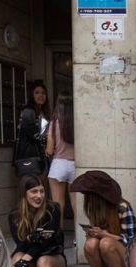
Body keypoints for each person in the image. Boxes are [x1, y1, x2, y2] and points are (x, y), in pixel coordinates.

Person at [69, 170, 136, 267]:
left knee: (106, 243)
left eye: (87, 194)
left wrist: (104, 235)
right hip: (106, 258)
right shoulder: (97, 210)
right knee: (90, 244)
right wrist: (93, 234)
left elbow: (132, 240)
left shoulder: (122, 207)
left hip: (125, 259)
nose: (85, 197)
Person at [45, 91, 75, 219]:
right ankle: (77, 238)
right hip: (75, 165)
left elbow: (50, 150)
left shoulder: (53, 124)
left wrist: (47, 150)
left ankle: (59, 237)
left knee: (58, 206)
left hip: (59, 165)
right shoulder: (77, 124)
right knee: (76, 206)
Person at [13, 80, 51, 178]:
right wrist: (48, 141)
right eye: (37, 92)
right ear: (32, 95)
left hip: (41, 155)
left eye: (43, 93)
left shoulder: (43, 112)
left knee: (41, 186)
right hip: (31, 156)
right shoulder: (29, 110)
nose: (40, 95)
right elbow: (33, 133)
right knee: (32, 186)